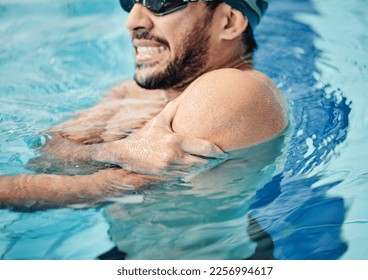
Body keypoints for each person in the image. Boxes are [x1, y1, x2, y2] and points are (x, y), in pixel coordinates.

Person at [0, 0, 287, 210]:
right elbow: (48, 153)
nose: (133, 20)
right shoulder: (132, 92)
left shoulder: (235, 89)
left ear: (229, 22)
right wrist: (112, 151)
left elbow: (95, 189)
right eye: (130, 2)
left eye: (158, 2)